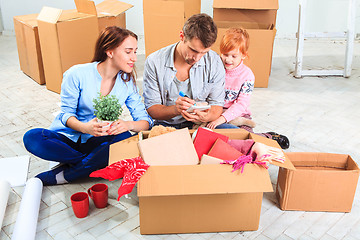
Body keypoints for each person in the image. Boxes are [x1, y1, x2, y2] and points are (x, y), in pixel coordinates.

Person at [23, 26, 153, 185]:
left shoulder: (127, 83)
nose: (134, 57)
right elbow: (65, 114)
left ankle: (68, 174)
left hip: (99, 141)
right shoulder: (76, 74)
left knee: (129, 140)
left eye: (135, 51)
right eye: (128, 52)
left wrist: (128, 124)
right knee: (32, 137)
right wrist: (85, 128)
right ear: (110, 52)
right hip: (68, 139)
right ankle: (92, 163)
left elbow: (145, 122)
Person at [143, 13, 232, 129]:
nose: (197, 58)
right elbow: (152, 109)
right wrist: (176, 109)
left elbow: (217, 105)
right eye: (193, 50)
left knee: (237, 136)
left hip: (200, 124)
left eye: (204, 52)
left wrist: (206, 117)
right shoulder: (154, 61)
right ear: (182, 36)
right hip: (166, 125)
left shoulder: (214, 62)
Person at [206, 28, 290, 149]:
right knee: (211, 136)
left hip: (238, 116)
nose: (228, 60)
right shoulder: (215, 68)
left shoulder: (247, 75)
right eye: (225, 54)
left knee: (244, 138)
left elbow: (241, 105)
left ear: (244, 55)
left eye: (234, 56)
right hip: (215, 112)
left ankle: (268, 137)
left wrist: (221, 120)